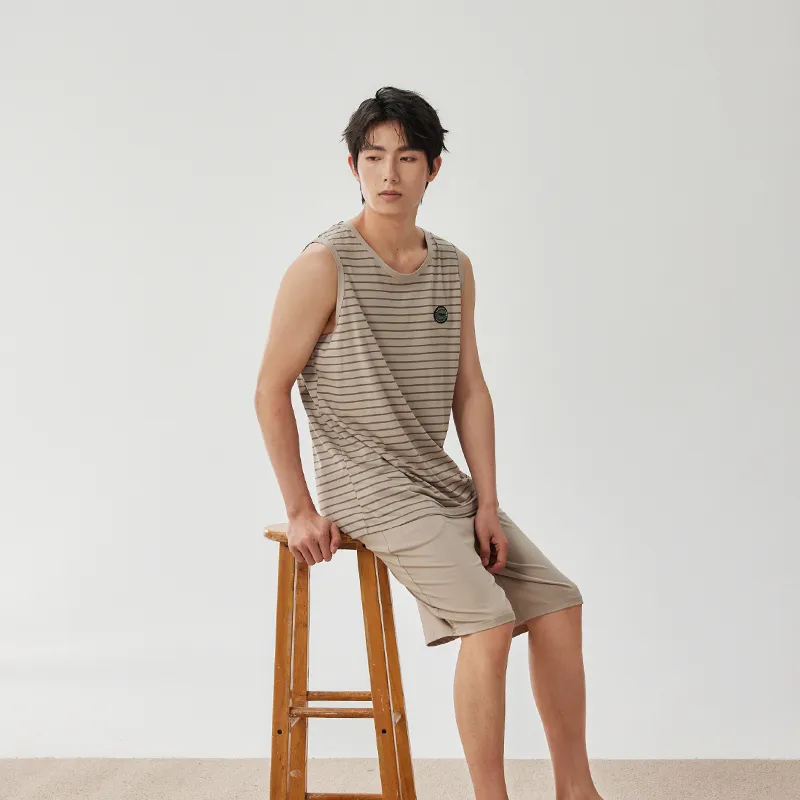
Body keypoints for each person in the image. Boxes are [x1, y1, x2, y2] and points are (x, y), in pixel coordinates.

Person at [254, 86, 605, 800]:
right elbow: (269, 389)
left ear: (432, 169)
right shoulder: (322, 265)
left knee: (558, 602)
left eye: (407, 158)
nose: (389, 174)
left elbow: (470, 388)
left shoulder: (453, 266)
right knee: (489, 619)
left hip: (436, 480)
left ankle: (577, 791)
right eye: (374, 157)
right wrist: (299, 508)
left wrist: (487, 502)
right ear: (353, 165)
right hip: (364, 483)